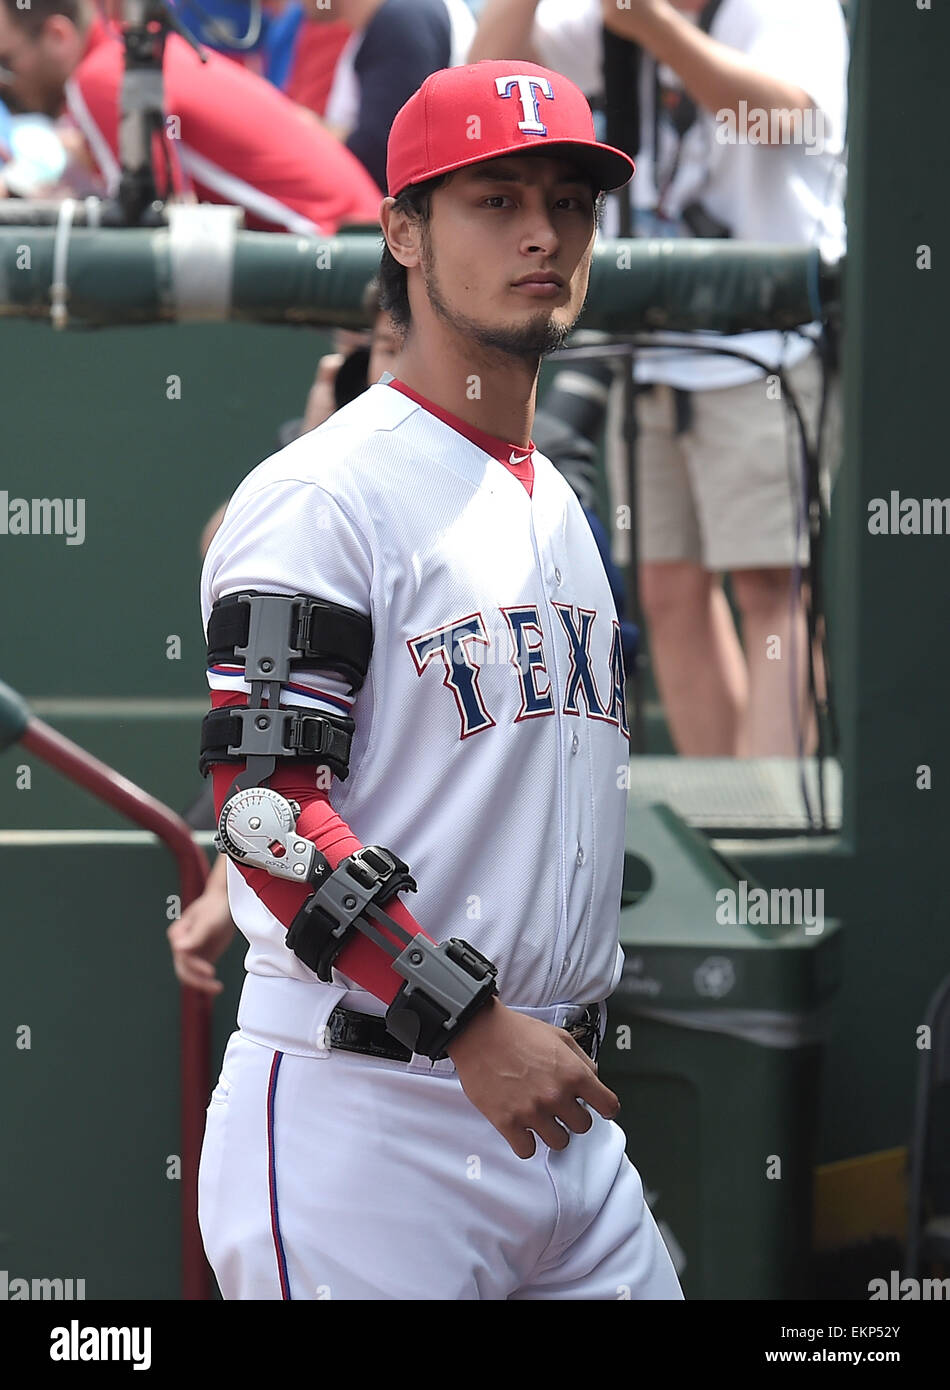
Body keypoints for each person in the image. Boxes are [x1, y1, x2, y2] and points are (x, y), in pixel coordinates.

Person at [195, 58, 683, 1300]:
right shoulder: (324, 492)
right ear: (403, 230)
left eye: (567, 202)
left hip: (559, 1117)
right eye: (495, 200)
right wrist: (461, 1016)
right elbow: (262, 808)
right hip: (367, 1120)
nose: (542, 233)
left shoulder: (556, 500)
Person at [471, 0, 848, 756]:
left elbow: (785, 120)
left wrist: (653, 25)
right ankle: (719, 809)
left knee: (771, 588)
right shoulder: (611, 18)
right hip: (652, 345)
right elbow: (484, 84)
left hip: (766, 347)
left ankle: (767, 816)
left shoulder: (782, 9)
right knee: (667, 589)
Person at [0, 0, 384, 232]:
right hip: (356, 240)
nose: (5, 81)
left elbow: (150, 228)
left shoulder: (104, 75)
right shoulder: (126, 57)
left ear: (58, 36)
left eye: (6, 61)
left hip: (338, 250)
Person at [310, 0, 476, 190]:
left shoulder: (403, 17)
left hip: (425, 196)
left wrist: (308, 132)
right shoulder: (392, 16)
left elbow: (384, 152)